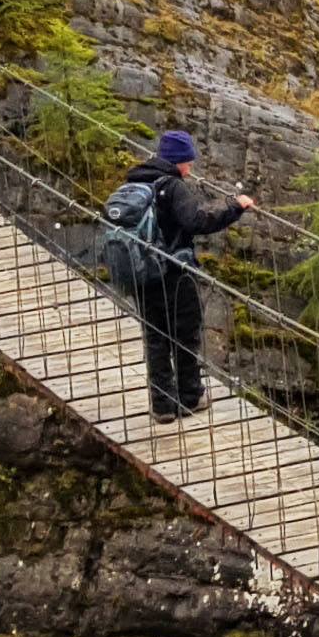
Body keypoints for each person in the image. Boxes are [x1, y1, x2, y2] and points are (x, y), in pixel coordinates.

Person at [115, 130, 244, 422]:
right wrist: (235, 209)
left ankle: (162, 405)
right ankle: (189, 397)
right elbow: (195, 222)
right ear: (179, 161)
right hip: (174, 272)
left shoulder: (135, 181)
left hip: (142, 273)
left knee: (156, 336)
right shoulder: (173, 186)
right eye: (188, 162)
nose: (190, 168)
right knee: (185, 334)